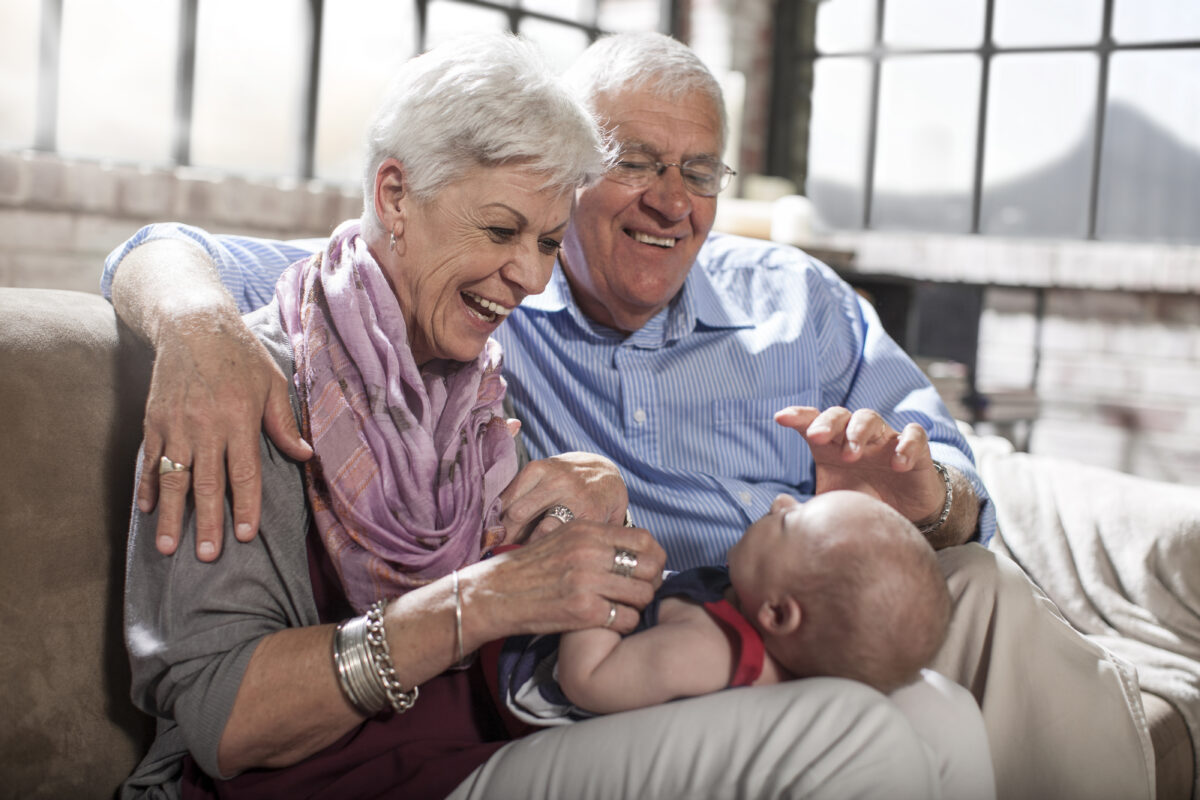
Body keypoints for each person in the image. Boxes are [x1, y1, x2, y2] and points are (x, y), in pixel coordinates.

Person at [104, 32, 1154, 799]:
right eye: (637, 164)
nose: (528, 276)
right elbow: (163, 250)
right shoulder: (286, 363)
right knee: (861, 731)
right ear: (392, 198)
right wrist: (194, 325)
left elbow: (961, 504)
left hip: (634, 678)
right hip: (449, 744)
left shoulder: (475, 383)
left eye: (697, 171)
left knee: (944, 700)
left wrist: (924, 500)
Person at [502, 490, 950, 721]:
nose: (780, 500)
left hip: (525, 673)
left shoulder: (709, 650)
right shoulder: (747, 599)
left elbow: (585, 681)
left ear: (778, 614)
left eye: (789, 521)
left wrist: (612, 571)